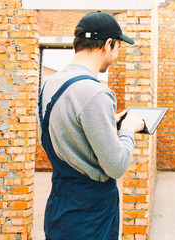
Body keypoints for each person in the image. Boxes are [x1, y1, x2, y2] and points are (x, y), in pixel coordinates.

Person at [38, 11, 145, 240]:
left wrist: (107, 123)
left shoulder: (50, 85)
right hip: (90, 215)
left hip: (59, 206)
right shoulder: (96, 92)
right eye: (118, 46)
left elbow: (66, 131)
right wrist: (128, 129)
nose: (117, 53)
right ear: (108, 44)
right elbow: (116, 166)